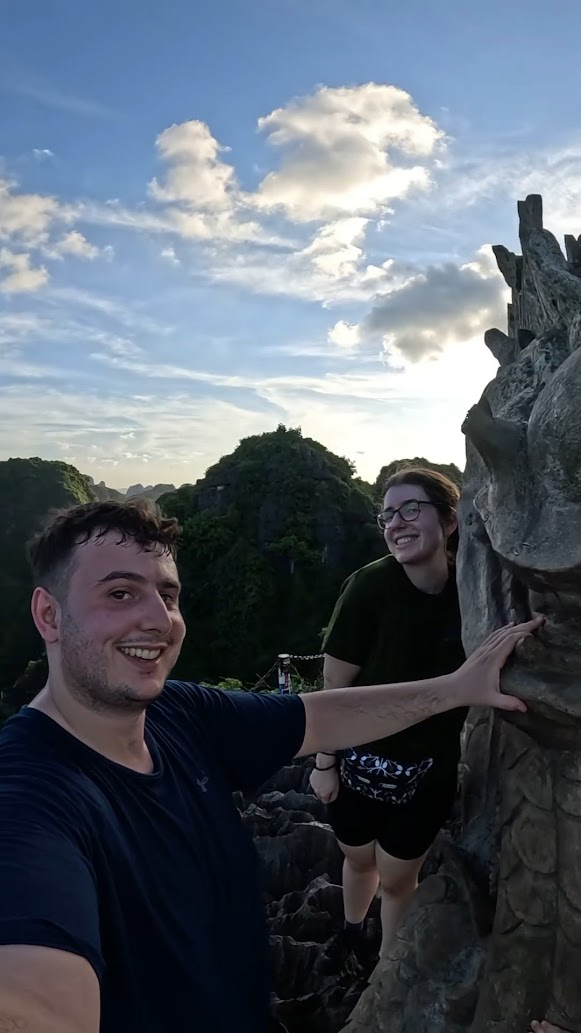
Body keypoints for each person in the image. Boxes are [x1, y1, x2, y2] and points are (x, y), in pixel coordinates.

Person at [0, 499, 541, 1033]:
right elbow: (32, 994)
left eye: (168, 595)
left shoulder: (180, 713)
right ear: (49, 615)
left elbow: (317, 716)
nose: (157, 619)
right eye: (120, 593)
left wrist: (456, 689)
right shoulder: (28, 798)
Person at [310, 467, 469, 971]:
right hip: (358, 765)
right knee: (358, 860)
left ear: (449, 520)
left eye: (411, 509)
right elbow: (335, 686)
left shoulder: (475, 588)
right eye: (388, 514)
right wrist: (324, 763)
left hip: (430, 773)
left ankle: (385, 971)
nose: (396, 522)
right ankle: (353, 930)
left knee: (399, 879)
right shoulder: (370, 588)